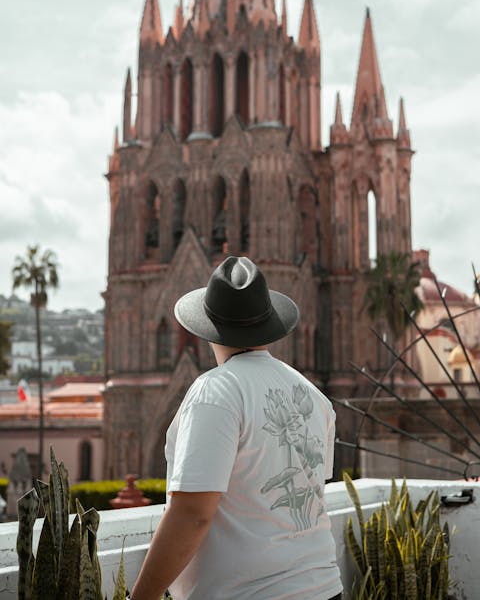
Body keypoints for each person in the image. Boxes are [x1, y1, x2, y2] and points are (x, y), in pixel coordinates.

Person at [130, 256, 343, 600]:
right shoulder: (313, 395)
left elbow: (192, 514)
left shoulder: (215, 391)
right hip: (323, 588)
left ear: (208, 326)